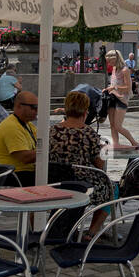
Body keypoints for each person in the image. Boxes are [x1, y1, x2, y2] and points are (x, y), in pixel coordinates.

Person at [50, 90, 111, 240]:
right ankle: (91, 232)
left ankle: (70, 227)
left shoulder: (52, 130)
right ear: (86, 110)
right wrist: (105, 150)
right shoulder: (88, 133)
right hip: (82, 185)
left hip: (54, 182)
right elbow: (99, 163)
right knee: (112, 188)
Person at [0, 92, 39, 184]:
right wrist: (51, 151)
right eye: (33, 107)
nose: (36, 111)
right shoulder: (11, 126)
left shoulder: (28, 125)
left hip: (20, 173)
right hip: (8, 177)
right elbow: (25, 158)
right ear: (19, 106)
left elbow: (41, 145)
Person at [103, 49, 139, 149]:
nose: (109, 64)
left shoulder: (125, 70)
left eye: (110, 61)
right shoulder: (115, 69)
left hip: (121, 100)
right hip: (112, 98)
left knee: (118, 126)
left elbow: (128, 87)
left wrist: (114, 88)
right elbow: (113, 83)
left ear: (116, 59)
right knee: (112, 125)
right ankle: (116, 144)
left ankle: (134, 143)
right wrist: (108, 89)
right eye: (108, 62)